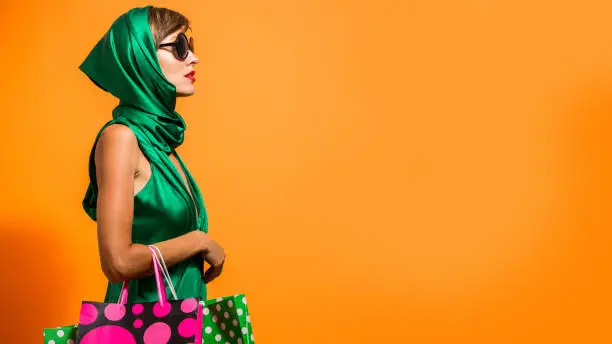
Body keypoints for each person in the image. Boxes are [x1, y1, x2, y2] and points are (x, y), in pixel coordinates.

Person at [79, 5, 225, 304]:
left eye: (191, 46)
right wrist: (199, 241)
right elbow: (117, 263)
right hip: (147, 327)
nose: (193, 58)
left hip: (182, 322)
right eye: (180, 47)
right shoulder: (121, 138)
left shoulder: (161, 144)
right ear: (140, 56)